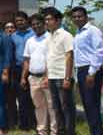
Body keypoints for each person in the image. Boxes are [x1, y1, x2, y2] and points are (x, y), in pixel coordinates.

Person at [71, 6, 103, 135]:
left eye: (79, 16)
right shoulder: (78, 32)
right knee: (87, 104)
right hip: (81, 70)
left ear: (86, 17)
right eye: (74, 17)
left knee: (91, 103)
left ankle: (97, 132)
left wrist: (91, 73)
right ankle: (96, 130)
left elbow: (99, 52)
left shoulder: (93, 31)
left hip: (91, 69)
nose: (77, 19)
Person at [42, 7, 75, 135]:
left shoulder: (66, 35)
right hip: (52, 77)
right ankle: (60, 132)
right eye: (45, 19)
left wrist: (67, 78)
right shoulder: (48, 36)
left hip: (63, 76)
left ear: (58, 20)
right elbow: (48, 58)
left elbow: (69, 56)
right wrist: (46, 76)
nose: (47, 22)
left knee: (67, 107)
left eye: (49, 19)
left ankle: (69, 132)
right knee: (56, 108)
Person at [21, 13, 55, 135]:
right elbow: (26, 60)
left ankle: (54, 131)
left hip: (47, 77)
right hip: (33, 78)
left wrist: (47, 76)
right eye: (33, 24)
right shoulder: (30, 40)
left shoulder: (50, 38)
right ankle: (42, 131)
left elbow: (51, 59)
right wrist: (23, 77)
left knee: (51, 106)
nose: (35, 26)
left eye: (38, 23)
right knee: (39, 106)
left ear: (44, 24)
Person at [9, 11, 35, 130]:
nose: (19, 22)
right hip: (19, 69)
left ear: (26, 20)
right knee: (22, 97)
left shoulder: (34, 33)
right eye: (17, 21)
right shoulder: (13, 36)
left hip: (33, 69)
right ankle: (25, 125)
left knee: (34, 97)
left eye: (22, 20)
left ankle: (35, 123)